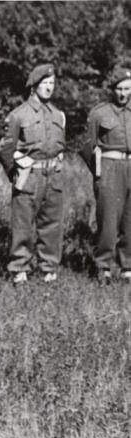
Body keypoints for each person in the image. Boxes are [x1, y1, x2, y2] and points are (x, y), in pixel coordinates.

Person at [0, 64, 66, 284]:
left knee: (52, 224)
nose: (49, 87)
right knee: (23, 225)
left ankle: (49, 269)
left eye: (52, 83)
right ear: (34, 86)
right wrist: (15, 174)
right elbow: (5, 149)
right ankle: (19, 269)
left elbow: (60, 146)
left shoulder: (58, 115)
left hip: (53, 176)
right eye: (44, 83)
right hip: (29, 176)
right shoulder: (19, 114)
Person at [80, 67, 131, 284]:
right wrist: (100, 173)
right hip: (110, 167)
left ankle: (128, 267)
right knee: (108, 221)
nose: (123, 93)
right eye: (119, 89)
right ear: (112, 90)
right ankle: (104, 266)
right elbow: (86, 146)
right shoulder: (99, 113)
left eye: (127, 89)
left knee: (130, 221)